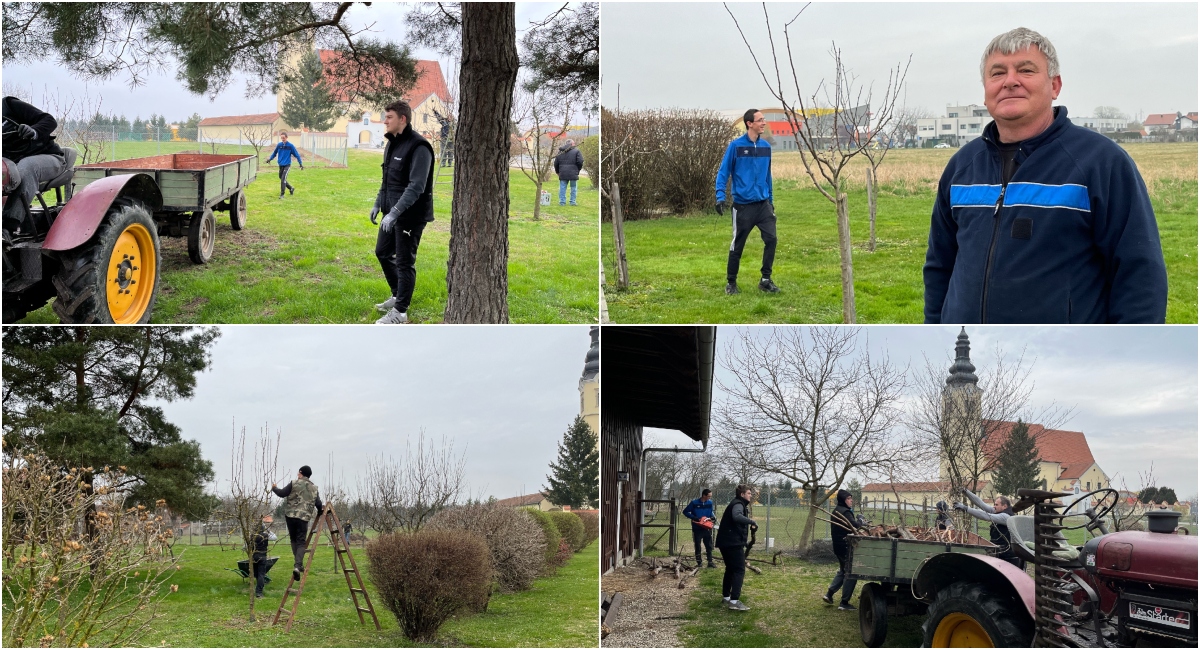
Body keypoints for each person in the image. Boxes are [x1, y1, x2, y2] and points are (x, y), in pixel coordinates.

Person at [923, 27, 1167, 324]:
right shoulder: (961, 167)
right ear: (985, 88)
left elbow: (1140, 274)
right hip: (970, 351)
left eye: (1025, 70)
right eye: (997, 73)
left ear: (1055, 85)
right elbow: (940, 265)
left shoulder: (1101, 163)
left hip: (1064, 357)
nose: (1010, 81)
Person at [370, 100, 436, 325]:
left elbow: (417, 185)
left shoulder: (420, 147)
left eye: (389, 117)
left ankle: (401, 312)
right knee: (382, 252)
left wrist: (395, 212)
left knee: (404, 262)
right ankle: (398, 294)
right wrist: (378, 205)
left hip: (410, 215)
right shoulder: (391, 144)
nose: (384, 121)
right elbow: (387, 179)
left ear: (402, 119)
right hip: (391, 212)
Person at [714, 108, 779, 296]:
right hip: (742, 207)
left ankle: (765, 280)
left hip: (763, 205)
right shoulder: (735, 147)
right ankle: (731, 283)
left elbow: (768, 176)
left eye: (764, 120)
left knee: (772, 239)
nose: (763, 123)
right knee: (738, 244)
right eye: (760, 120)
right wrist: (720, 197)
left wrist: (771, 200)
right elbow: (723, 172)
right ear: (749, 123)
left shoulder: (766, 147)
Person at [2, 96, 67, 232]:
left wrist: (34, 130)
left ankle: (8, 226)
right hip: (14, 164)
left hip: (48, 157)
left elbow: (50, 121)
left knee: (27, 166)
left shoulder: (9, 106)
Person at [271, 465, 324, 581]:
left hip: (290, 516)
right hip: (303, 517)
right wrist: (320, 512)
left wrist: (274, 488)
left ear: (301, 473)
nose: (297, 475)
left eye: (298, 473)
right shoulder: (314, 488)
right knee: (301, 542)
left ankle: (298, 564)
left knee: (293, 540)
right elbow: (319, 504)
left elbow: (282, 493)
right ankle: (297, 565)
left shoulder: (294, 483)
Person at [714, 484, 757, 611]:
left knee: (730, 569)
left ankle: (726, 597)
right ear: (742, 494)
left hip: (725, 542)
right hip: (732, 543)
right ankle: (734, 601)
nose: (750, 495)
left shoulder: (736, 503)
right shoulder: (738, 504)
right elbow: (736, 516)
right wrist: (751, 521)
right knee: (739, 570)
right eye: (749, 493)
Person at [954, 489, 1021, 568]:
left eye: (996, 505)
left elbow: (986, 516)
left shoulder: (1006, 517)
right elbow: (981, 504)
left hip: (1009, 557)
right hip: (1000, 552)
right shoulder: (999, 511)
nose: (994, 507)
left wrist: (966, 508)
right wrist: (965, 491)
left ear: (1004, 506)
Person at [823, 489, 866, 611]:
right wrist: (860, 521)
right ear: (843, 500)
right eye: (848, 498)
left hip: (838, 547)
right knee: (851, 573)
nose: (851, 500)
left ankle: (829, 594)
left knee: (843, 570)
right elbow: (854, 526)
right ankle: (844, 602)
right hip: (845, 547)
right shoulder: (845, 512)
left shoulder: (836, 510)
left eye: (851, 498)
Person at [682, 488, 717, 568]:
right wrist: (694, 518)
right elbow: (685, 511)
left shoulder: (710, 503)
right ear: (704, 495)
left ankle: (710, 562)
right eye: (708, 496)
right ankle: (699, 562)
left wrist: (712, 517)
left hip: (706, 527)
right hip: (697, 527)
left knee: (709, 545)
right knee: (697, 545)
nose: (710, 498)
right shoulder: (694, 503)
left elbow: (711, 512)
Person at [265, 132, 304, 199]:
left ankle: (282, 194)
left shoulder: (290, 146)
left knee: (283, 179)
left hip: (287, 165)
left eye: (284, 138)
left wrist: (300, 164)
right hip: (281, 164)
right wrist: (270, 159)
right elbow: (274, 153)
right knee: (281, 177)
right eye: (281, 138)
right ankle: (291, 188)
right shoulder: (279, 145)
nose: (282, 139)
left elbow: (297, 155)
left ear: (286, 137)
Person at [250, 514, 276, 598]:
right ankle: (259, 593)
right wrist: (267, 530)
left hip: (254, 557)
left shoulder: (252, 536)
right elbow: (275, 537)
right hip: (262, 556)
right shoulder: (265, 535)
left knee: (257, 574)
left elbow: (245, 547)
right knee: (261, 574)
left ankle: (257, 590)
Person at [553, 138, 584, 206]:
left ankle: (562, 202)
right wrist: (578, 169)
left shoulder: (560, 152)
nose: (575, 144)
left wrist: (557, 172)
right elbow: (580, 161)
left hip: (563, 172)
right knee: (573, 188)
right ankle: (572, 202)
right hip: (573, 172)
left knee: (562, 187)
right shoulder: (576, 151)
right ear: (572, 144)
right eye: (574, 143)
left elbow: (556, 163)